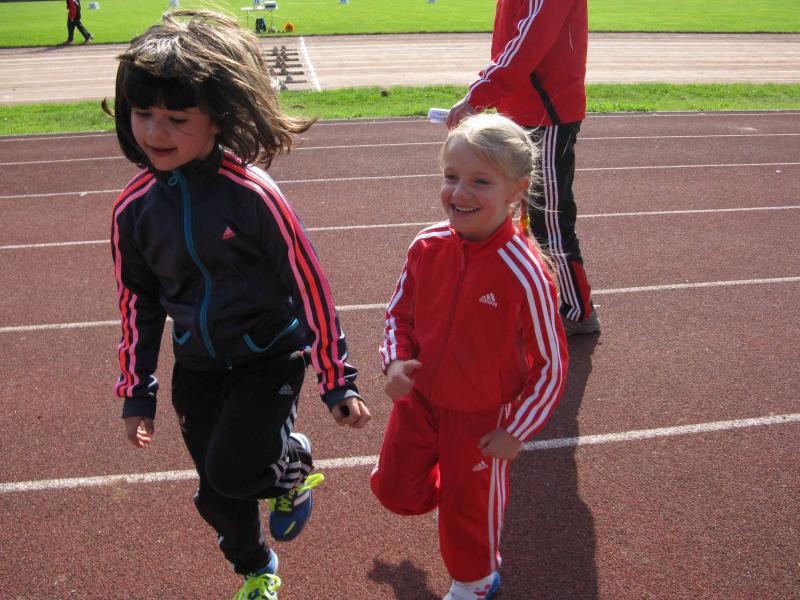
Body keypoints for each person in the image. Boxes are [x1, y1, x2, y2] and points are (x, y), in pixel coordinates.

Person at [106, 11, 370, 600]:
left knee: (235, 470)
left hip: (268, 356)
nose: (155, 132)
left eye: (178, 119)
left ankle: (292, 463)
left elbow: (309, 285)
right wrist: (137, 390)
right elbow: (137, 303)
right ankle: (257, 569)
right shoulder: (133, 208)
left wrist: (336, 379)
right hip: (197, 366)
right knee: (215, 496)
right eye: (143, 113)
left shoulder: (253, 196)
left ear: (219, 117)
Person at [371, 114, 568, 600]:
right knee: (394, 491)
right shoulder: (427, 245)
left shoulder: (525, 273)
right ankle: (458, 494)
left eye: (481, 181)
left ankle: (476, 580)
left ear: (515, 191)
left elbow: (551, 365)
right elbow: (399, 313)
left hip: (480, 418)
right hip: (418, 401)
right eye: (451, 176)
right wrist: (395, 361)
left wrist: (516, 430)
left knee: (469, 509)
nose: (460, 192)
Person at [446, 0, 600, 336]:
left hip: (548, 111)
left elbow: (529, 40)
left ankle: (577, 311)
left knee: (549, 218)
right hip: (519, 107)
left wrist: (479, 95)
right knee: (511, 212)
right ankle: (526, 297)